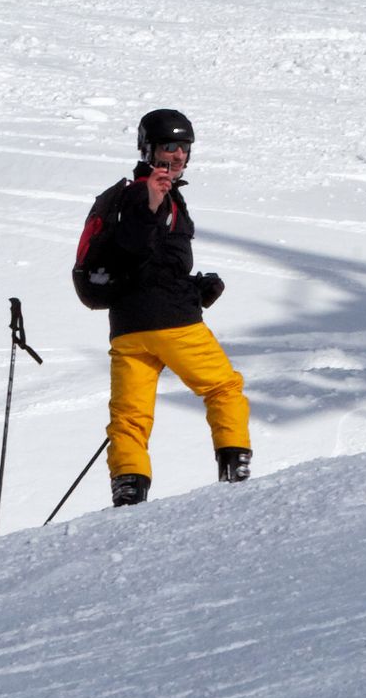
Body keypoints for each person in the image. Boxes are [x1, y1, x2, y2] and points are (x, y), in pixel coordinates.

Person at [71, 108, 250, 507]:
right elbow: (136, 240)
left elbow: (144, 262)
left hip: (129, 329)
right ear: (148, 148)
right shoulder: (146, 194)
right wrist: (152, 202)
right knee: (224, 388)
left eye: (184, 147)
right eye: (169, 146)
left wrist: (195, 288)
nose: (178, 155)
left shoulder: (138, 194)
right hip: (173, 323)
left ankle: (129, 491)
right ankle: (235, 472)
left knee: (130, 417)